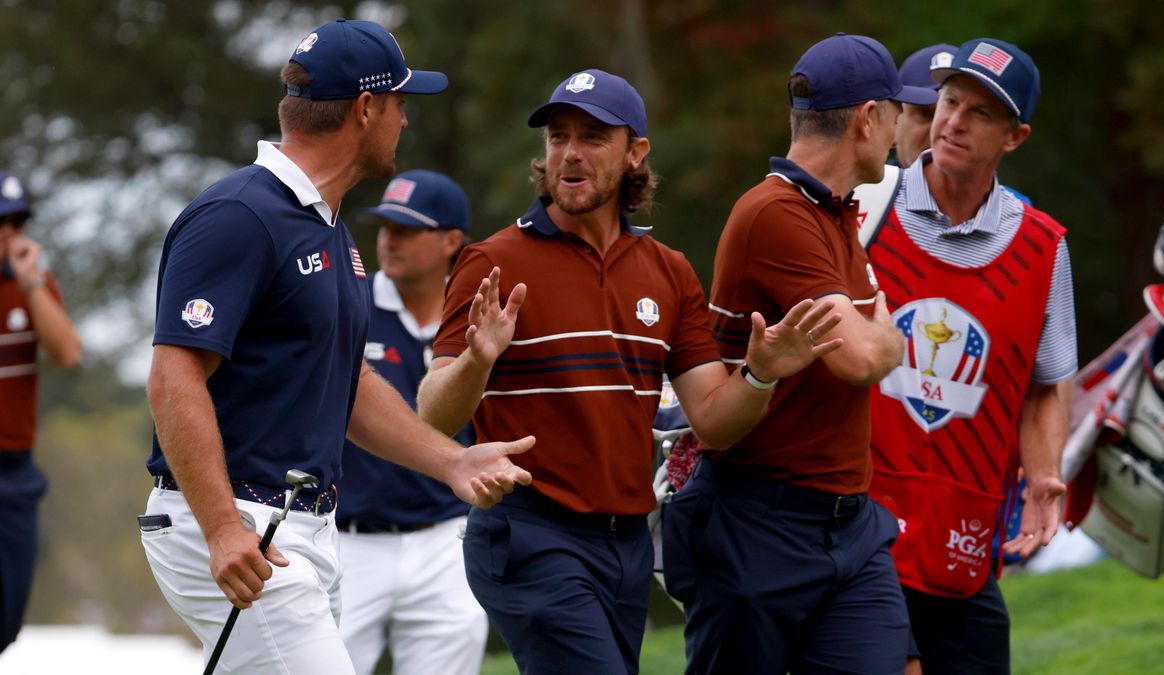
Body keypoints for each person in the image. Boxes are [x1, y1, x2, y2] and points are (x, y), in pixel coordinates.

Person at [416, 68, 843, 675]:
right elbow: (434, 414)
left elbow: (715, 423)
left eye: (592, 137)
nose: (569, 153)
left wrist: (760, 374)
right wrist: (478, 361)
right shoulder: (492, 261)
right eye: (558, 136)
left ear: (635, 153)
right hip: (530, 536)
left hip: (626, 546)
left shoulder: (667, 271)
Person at [140, 19, 533, 674]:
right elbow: (172, 376)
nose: (405, 123)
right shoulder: (240, 215)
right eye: (402, 105)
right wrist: (221, 528)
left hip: (304, 530)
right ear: (367, 108)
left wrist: (451, 462)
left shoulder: (327, 229)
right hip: (239, 523)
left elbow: (344, 386)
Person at [661, 33, 929, 674]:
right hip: (757, 523)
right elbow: (863, 356)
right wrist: (890, 339)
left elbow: (865, 341)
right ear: (869, 118)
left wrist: (878, 336)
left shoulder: (832, 210)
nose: (896, 133)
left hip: (846, 521)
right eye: (894, 114)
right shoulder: (776, 213)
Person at [862, 38, 1076, 675]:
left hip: (965, 541)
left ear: (1015, 137)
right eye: (951, 101)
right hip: (860, 529)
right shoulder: (867, 210)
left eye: (980, 113)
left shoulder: (1043, 248)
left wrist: (1042, 478)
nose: (954, 121)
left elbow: (1043, 385)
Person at [337, 170, 487, 675]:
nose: (389, 239)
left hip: (447, 541)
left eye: (408, 229)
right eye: (384, 226)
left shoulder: (477, 316)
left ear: (451, 242)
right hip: (347, 540)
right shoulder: (348, 301)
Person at [0, 171, 81, 653]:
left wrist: (30, 281)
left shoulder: (31, 284)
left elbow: (67, 353)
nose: (8, 233)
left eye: (16, 222)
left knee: (7, 621)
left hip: (14, 472)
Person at [894, 44, 958, 168]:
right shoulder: (858, 187)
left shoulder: (998, 188)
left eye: (953, 116)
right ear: (894, 122)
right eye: (925, 114)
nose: (938, 130)